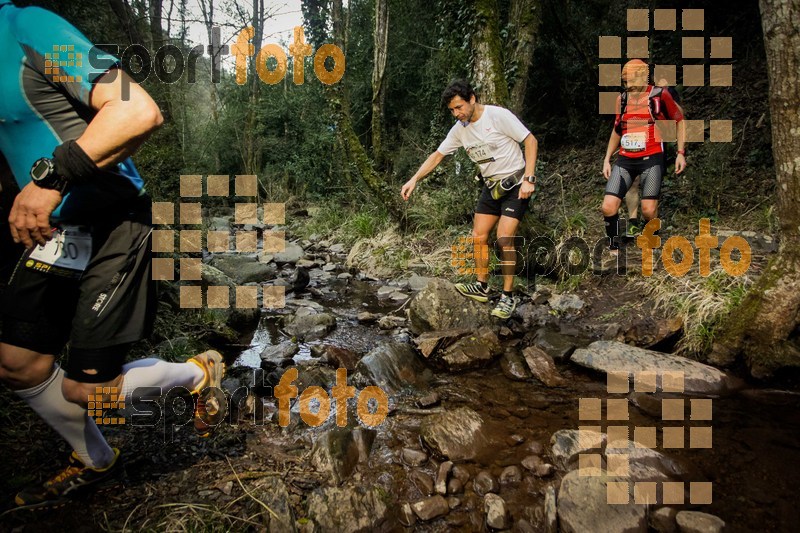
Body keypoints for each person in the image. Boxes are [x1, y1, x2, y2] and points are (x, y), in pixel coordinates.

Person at [0, 0, 224, 509]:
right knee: (17, 364)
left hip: (113, 220)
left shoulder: (27, 28)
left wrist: (49, 180)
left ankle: (197, 374)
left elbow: (136, 108)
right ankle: (97, 459)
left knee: (86, 391)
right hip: (54, 231)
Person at [401, 80, 538, 319]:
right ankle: (482, 286)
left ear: (472, 99)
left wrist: (529, 178)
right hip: (490, 186)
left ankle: (508, 296)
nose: (457, 114)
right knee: (478, 236)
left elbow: (530, 141)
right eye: (452, 110)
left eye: (459, 107)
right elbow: (437, 156)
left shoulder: (497, 116)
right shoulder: (459, 129)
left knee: (504, 238)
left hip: (515, 184)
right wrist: (414, 179)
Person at [601, 60, 686, 257]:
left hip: (651, 157)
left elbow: (680, 121)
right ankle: (614, 247)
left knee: (648, 210)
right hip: (625, 159)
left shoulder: (659, 95)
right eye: (625, 82)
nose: (629, 86)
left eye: (632, 81)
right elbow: (617, 130)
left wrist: (680, 153)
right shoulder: (621, 99)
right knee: (608, 206)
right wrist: (607, 158)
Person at [622, 78, 685, 237]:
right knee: (632, 183)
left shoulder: (665, 92)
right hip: (633, 141)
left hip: (655, 142)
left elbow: (679, 115)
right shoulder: (631, 92)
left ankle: (652, 228)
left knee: (650, 185)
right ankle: (633, 223)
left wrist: (666, 93)